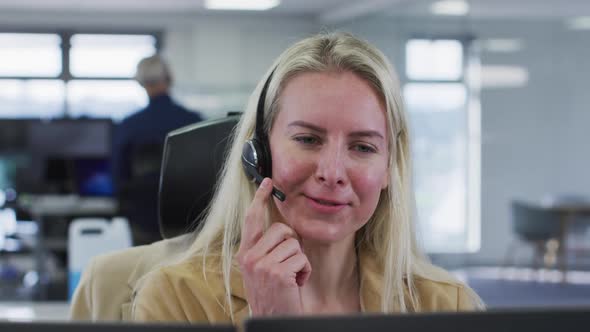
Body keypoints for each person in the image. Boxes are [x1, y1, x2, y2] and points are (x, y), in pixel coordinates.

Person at [131, 32, 483, 324]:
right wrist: (271, 322)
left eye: (362, 147)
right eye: (308, 140)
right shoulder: (176, 302)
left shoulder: (445, 307)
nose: (332, 173)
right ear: (259, 153)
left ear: (389, 167)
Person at [112, 54, 203, 245]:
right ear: (169, 78)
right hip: (185, 221)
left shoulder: (129, 126)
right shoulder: (193, 121)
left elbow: (118, 177)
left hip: (141, 219)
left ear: (141, 83)